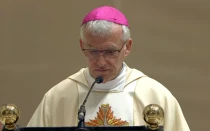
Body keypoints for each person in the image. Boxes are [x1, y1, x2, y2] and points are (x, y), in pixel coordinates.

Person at [27, 5, 190, 131]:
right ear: (82, 45)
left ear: (128, 47)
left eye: (110, 52)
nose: (101, 62)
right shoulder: (59, 97)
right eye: (93, 51)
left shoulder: (155, 96)